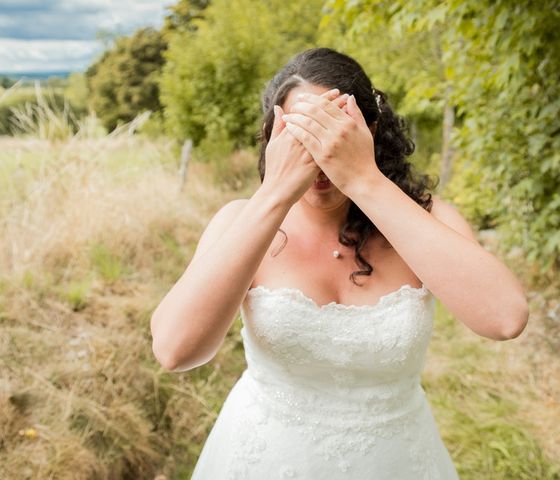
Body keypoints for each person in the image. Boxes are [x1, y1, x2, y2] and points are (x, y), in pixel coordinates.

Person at [150, 47, 529, 479]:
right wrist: (274, 195)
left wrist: (363, 179)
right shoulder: (242, 221)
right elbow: (174, 350)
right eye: (299, 134)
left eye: (333, 131)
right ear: (273, 138)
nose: (318, 153)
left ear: (368, 133)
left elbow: (505, 318)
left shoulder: (428, 220)